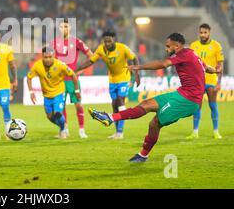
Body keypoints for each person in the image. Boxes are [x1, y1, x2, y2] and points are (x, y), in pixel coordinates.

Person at [89, 33, 220, 162]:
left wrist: (139, 67)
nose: (166, 49)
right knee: (146, 104)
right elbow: (206, 67)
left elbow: (163, 64)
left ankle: (143, 155)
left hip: (189, 101)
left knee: (154, 123)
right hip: (181, 93)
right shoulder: (192, 53)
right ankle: (110, 118)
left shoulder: (183, 54)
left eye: (168, 46)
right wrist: (215, 70)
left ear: (177, 45)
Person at [77, 31, 140, 139]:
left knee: (120, 100)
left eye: (109, 41)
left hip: (124, 78)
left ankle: (120, 132)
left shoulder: (123, 48)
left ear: (114, 40)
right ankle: (117, 132)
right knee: (114, 105)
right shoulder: (101, 49)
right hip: (112, 80)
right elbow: (91, 61)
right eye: (105, 41)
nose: (107, 43)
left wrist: (136, 75)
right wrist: (78, 69)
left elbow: (134, 58)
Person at [50, 18, 93, 138]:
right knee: (60, 106)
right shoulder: (53, 43)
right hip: (59, 81)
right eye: (61, 26)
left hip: (72, 80)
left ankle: (81, 130)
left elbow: (91, 56)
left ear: (70, 28)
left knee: (78, 104)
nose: (64, 29)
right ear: (58, 29)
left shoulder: (77, 41)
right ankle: (65, 129)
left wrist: (80, 70)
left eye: (66, 26)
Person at [27, 45, 81, 139]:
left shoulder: (60, 65)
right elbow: (29, 77)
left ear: (54, 56)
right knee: (50, 117)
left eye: (50, 57)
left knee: (57, 113)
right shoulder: (37, 65)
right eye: (45, 57)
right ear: (42, 56)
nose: (48, 59)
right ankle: (62, 127)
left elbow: (73, 75)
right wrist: (31, 92)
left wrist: (76, 90)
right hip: (47, 95)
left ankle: (64, 129)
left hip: (59, 93)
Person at [187, 23, 224, 139]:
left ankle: (216, 131)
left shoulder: (216, 46)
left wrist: (219, 82)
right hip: (197, 81)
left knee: (213, 106)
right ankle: (195, 132)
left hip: (211, 81)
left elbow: (219, 65)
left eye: (205, 32)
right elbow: (189, 64)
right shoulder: (193, 46)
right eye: (201, 32)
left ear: (209, 32)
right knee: (197, 106)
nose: (202, 35)